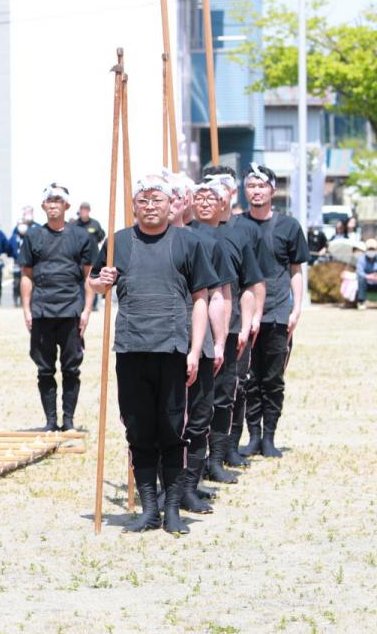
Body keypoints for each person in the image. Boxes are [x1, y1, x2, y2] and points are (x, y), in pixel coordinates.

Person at [88, 176, 217, 535]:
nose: (149, 206)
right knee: (139, 429)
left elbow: (201, 299)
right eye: (143, 200)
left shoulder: (187, 243)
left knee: (172, 429)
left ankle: (172, 508)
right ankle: (149, 509)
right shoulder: (118, 242)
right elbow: (94, 283)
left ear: (170, 204)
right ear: (134, 206)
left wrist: (195, 350)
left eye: (156, 199)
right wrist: (103, 282)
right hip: (131, 347)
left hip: (172, 348)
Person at [190, 176, 264, 485]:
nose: (205, 202)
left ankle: (217, 458)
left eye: (212, 197)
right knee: (194, 400)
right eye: (200, 197)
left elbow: (251, 284)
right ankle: (190, 464)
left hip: (229, 329)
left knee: (224, 396)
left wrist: (247, 324)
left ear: (225, 202)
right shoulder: (184, 234)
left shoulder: (237, 237)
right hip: (192, 329)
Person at [238, 164, 308, 459]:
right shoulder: (235, 224)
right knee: (247, 379)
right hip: (244, 314)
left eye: (261, 186)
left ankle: (269, 437)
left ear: (272, 190)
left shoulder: (288, 226)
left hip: (278, 311)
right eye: (251, 186)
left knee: (273, 378)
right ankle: (252, 435)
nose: (256, 191)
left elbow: (296, 269)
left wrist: (297, 308)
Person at [172, 178, 229, 515]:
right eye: (169, 195)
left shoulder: (206, 243)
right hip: (158, 343)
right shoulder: (137, 240)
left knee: (198, 419)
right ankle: (165, 485)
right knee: (164, 420)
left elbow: (218, 296)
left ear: (190, 200)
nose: (175, 201)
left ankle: (188, 487)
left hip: (200, 341)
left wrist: (219, 340)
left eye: (181, 195)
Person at [23, 184, 93, 431]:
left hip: (71, 311)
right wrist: (26, 310)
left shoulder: (81, 237)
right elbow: (26, 275)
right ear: (43, 206)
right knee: (44, 369)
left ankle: (69, 421)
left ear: (67, 206)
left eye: (58, 200)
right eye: (49, 201)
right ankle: (51, 422)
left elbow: (89, 278)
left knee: (71, 368)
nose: (53, 204)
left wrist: (86, 311)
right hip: (42, 310)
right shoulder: (32, 236)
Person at [357, 239, 377, 309]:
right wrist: (368, 276)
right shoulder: (361, 259)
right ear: (366, 249)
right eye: (370, 249)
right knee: (361, 279)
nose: (371, 251)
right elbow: (359, 272)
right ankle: (361, 302)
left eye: (373, 249)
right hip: (366, 282)